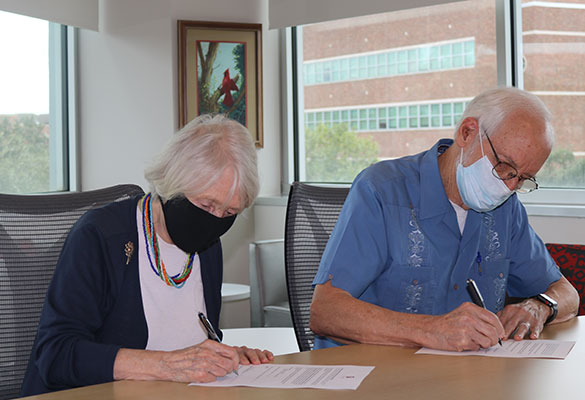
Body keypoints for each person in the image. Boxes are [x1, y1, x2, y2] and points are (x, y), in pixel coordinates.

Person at [310, 87, 580, 352]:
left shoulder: (506, 209)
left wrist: (540, 306)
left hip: (468, 379)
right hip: (375, 378)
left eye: (522, 179)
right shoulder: (382, 190)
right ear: (467, 133)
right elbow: (326, 312)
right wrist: (430, 330)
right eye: (505, 167)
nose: (509, 187)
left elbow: (567, 294)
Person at [20, 114, 273, 396]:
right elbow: (56, 354)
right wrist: (167, 365)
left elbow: (184, 341)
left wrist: (222, 357)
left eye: (229, 213)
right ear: (171, 185)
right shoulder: (101, 236)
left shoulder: (208, 248)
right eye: (206, 204)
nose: (214, 220)